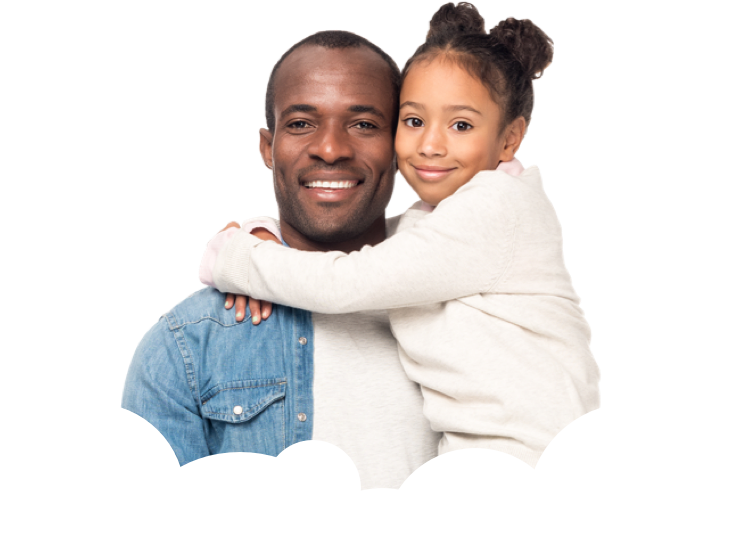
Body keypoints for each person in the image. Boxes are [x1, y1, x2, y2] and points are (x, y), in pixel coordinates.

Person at [199, 3, 602, 466]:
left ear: (509, 139)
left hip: (531, 468)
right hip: (484, 461)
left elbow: (352, 279)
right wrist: (268, 233)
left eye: (461, 125)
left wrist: (234, 258)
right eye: (414, 121)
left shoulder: (497, 207)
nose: (431, 144)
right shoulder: (454, 218)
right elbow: (394, 251)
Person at [121, 28, 442, 490]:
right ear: (268, 150)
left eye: (364, 124)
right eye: (301, 123)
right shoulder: (188, 345)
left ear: (399, 148)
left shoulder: (469, 304)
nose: (330, 149)